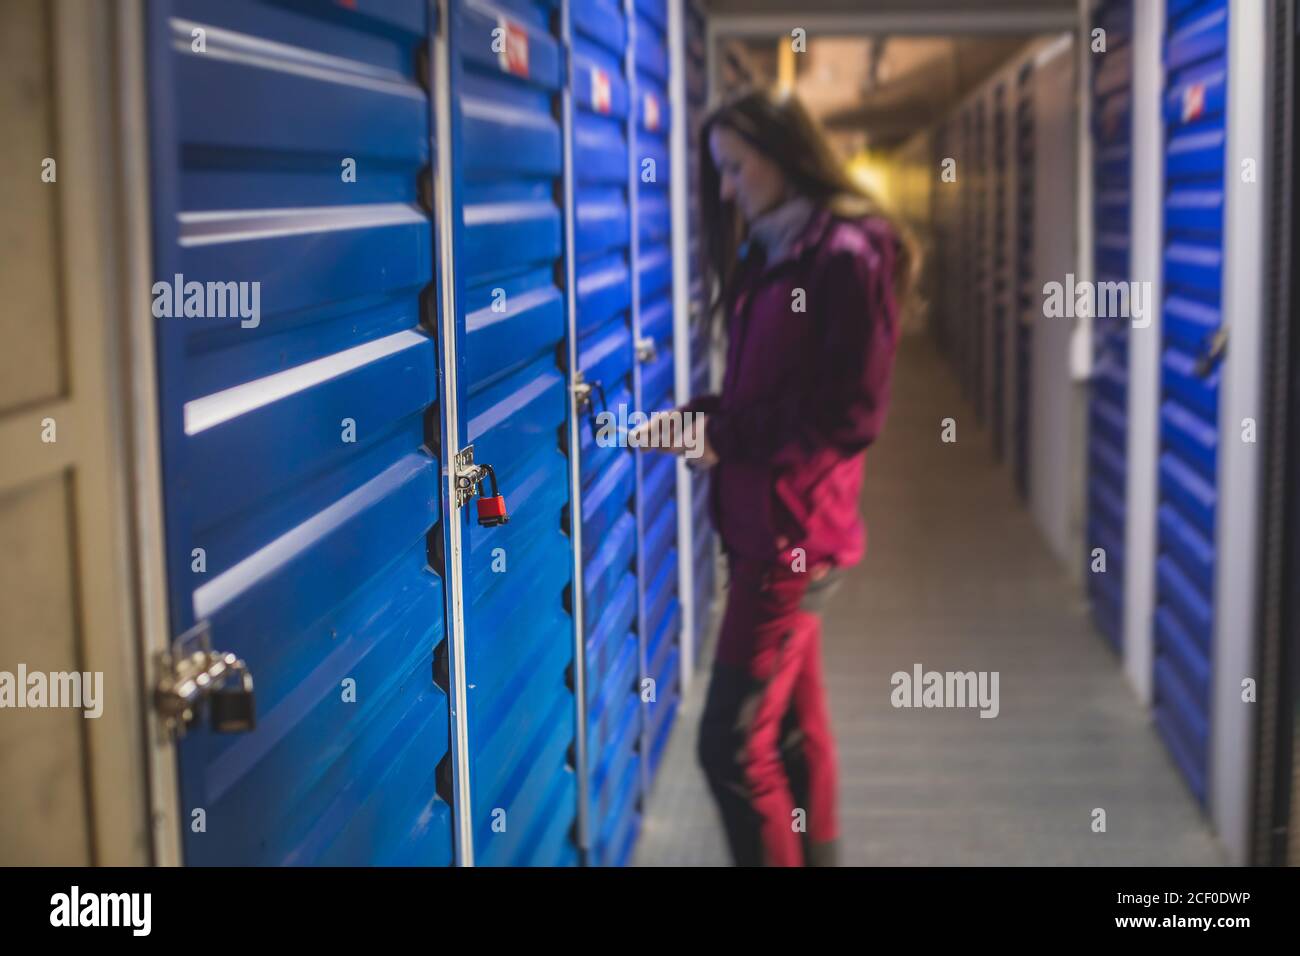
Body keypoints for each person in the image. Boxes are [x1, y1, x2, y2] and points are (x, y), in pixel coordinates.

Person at [637, 87, 915, 866]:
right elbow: (772, 395)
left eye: (736, 168)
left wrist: (724, 436)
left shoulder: (845, 257)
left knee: (728, 746)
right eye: (718, 172)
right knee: (790, 726)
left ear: (786, 156)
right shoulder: (775, 247)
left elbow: (850, 416)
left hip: (794, 537)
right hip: (769, 522)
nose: (726, 189)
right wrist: (701, 417)